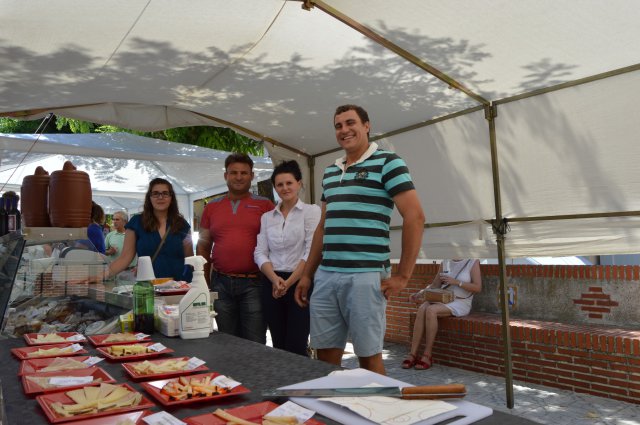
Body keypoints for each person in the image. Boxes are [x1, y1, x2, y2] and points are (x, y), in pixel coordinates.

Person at [295, 104, 425, 374]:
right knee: (325, 358)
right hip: (327, 275)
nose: (344, 130)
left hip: (366, 276)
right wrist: (308, 274)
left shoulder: (389, 162)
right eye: (338, 125)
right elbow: (323, 226)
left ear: (366, 125)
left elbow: (414, 217)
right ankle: (333, 414)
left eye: (350, 123)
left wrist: (403, 276)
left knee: (369, 359)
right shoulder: (330, 171)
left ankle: (378, 414)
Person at [197, 153, 274, 343]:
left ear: (252, 175)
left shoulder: (265, 205)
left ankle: (255, 374)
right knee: (227, 343)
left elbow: (277, 243)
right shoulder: (211, 207)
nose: (239, 177)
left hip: (255, 283)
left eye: (244, 173)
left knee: (255, 343)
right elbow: (204, 246)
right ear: (226, 176)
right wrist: (204, 282)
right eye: (234, 173)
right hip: (220, 284)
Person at [254, 160, 321, 356]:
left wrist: (289, 283)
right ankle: (282, 384)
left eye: (289, 183)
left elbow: (311, 251)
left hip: (301, 282)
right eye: (280, 184)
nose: (285, 188)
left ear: (299, 184)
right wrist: (275, 280)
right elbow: (260, 252)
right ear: (275, 188)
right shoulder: (267, 217)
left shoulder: (311, 211)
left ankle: (300, 386)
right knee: (278, 344)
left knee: (296, 344)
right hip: (272, 283)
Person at [108, 178, 193, 281]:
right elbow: (124, 258)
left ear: (171, 198)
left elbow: (190, 259)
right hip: (149, 287)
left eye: (165, 193)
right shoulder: (136, 222)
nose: (160, 197)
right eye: (155, 193)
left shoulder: (182, 224)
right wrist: (100, 276)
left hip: (180, 286)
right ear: (150, 197)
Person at [403, 259, 482, 370]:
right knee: (422, 308)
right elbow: (435, 285)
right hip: (443, 298)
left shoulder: (472, 261)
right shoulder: (445, 261)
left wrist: (456, 282)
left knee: (431, 310)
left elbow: (477, 287)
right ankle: (412, 354)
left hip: (460, 301)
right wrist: (419, 293)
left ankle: (427, 355)